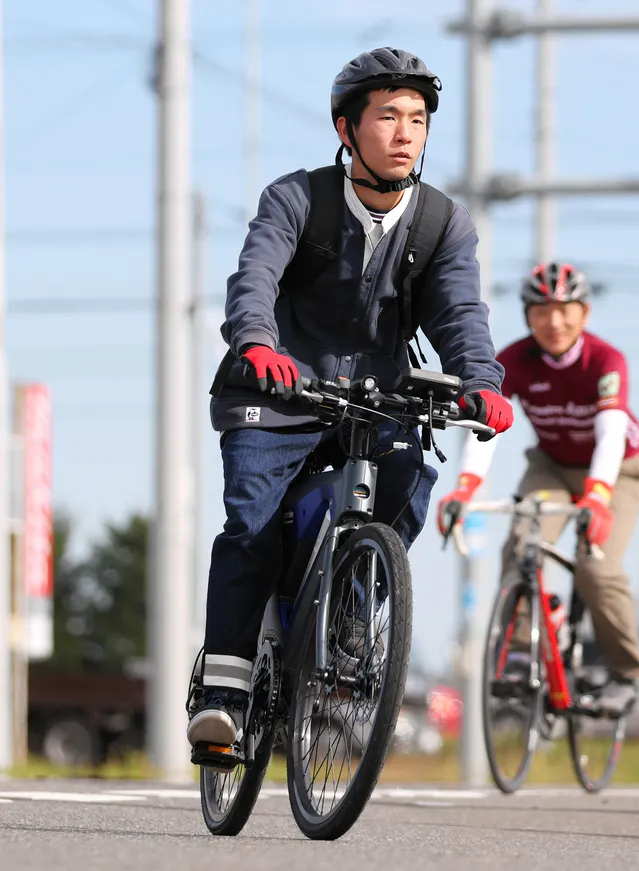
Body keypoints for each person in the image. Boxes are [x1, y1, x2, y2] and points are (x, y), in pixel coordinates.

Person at [186, 46, 514, 751]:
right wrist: (256, 341)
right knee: (252, 523)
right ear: (346, 128)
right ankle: (224, 693)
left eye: (418, 120)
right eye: (388, 116)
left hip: (376, 402)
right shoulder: (296, 199)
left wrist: (482, 381)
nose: (405, 133)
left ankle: (347, 623)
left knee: (404, 482)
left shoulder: (441, 224)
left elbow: (460, 313)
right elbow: (256, 278)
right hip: (275, 393)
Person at [437, 261, 639, 716]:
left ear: (584, 313)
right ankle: (516, 652)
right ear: (528, 316)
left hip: (616, 472)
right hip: (551, 468)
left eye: (565, 310)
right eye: (541, 311)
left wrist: (598, 496)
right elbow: (487, 425)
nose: (554, 322)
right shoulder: (514, 360)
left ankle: (625, 673)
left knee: (598, 568)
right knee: (522, 540)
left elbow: (611, 435)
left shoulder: (606, 361)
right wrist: (465, 489)